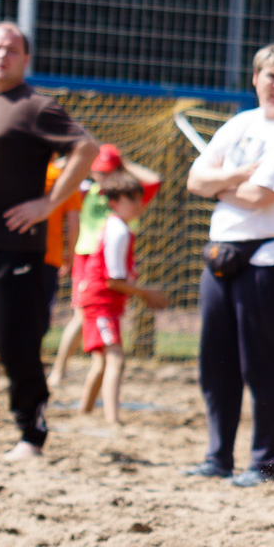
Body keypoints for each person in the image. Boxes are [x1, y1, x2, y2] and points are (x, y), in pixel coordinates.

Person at [0, 22, 99, 458]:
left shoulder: (35, 106)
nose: (0, 55)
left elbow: (86, 149)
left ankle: (31, 434)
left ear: (25, 59)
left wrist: (48, 204)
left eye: (11, 49)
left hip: (14, 249)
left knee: (16, 345)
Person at [184, 44, 274, 486]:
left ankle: (263, 465)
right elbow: (194, 180)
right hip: (223, 253)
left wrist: (221, 181)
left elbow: (261, 196)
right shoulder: (241, 124)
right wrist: (243, 174)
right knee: (216, 363)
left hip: (272, 258)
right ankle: (217, 457)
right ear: (256, 78)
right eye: (270, 76)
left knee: (262, 364)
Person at [48, 145, 162, 389]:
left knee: (104, 316)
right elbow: (58, 172)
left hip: (115, 259)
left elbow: (154, 180)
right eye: (98, 171)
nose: (102, 175)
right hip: (88, 257)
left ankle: (96, 370)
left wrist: (124, 162)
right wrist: (82, 158)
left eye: (108, 171)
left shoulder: (128, 193)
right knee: (82, 314)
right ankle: (60, 370)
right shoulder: (86, 190)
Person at [76, 173, 169, 426]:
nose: (140, 205)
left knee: (102, 360)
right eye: (133, 200)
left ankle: (84, 411)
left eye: (140, 199)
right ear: (115, 202)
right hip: (101, 302)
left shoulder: (118, 227)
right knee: (116, 357)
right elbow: (113, 281)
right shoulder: (118, 231)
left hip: (101, 301)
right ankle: (113, 418)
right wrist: (147, 293)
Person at [40, 156, 83, 331]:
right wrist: (70, 254)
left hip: (10, 254)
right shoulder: (63, 178)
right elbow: (73, 224)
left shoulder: (16, 171)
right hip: (49, 257)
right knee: (39, 314)